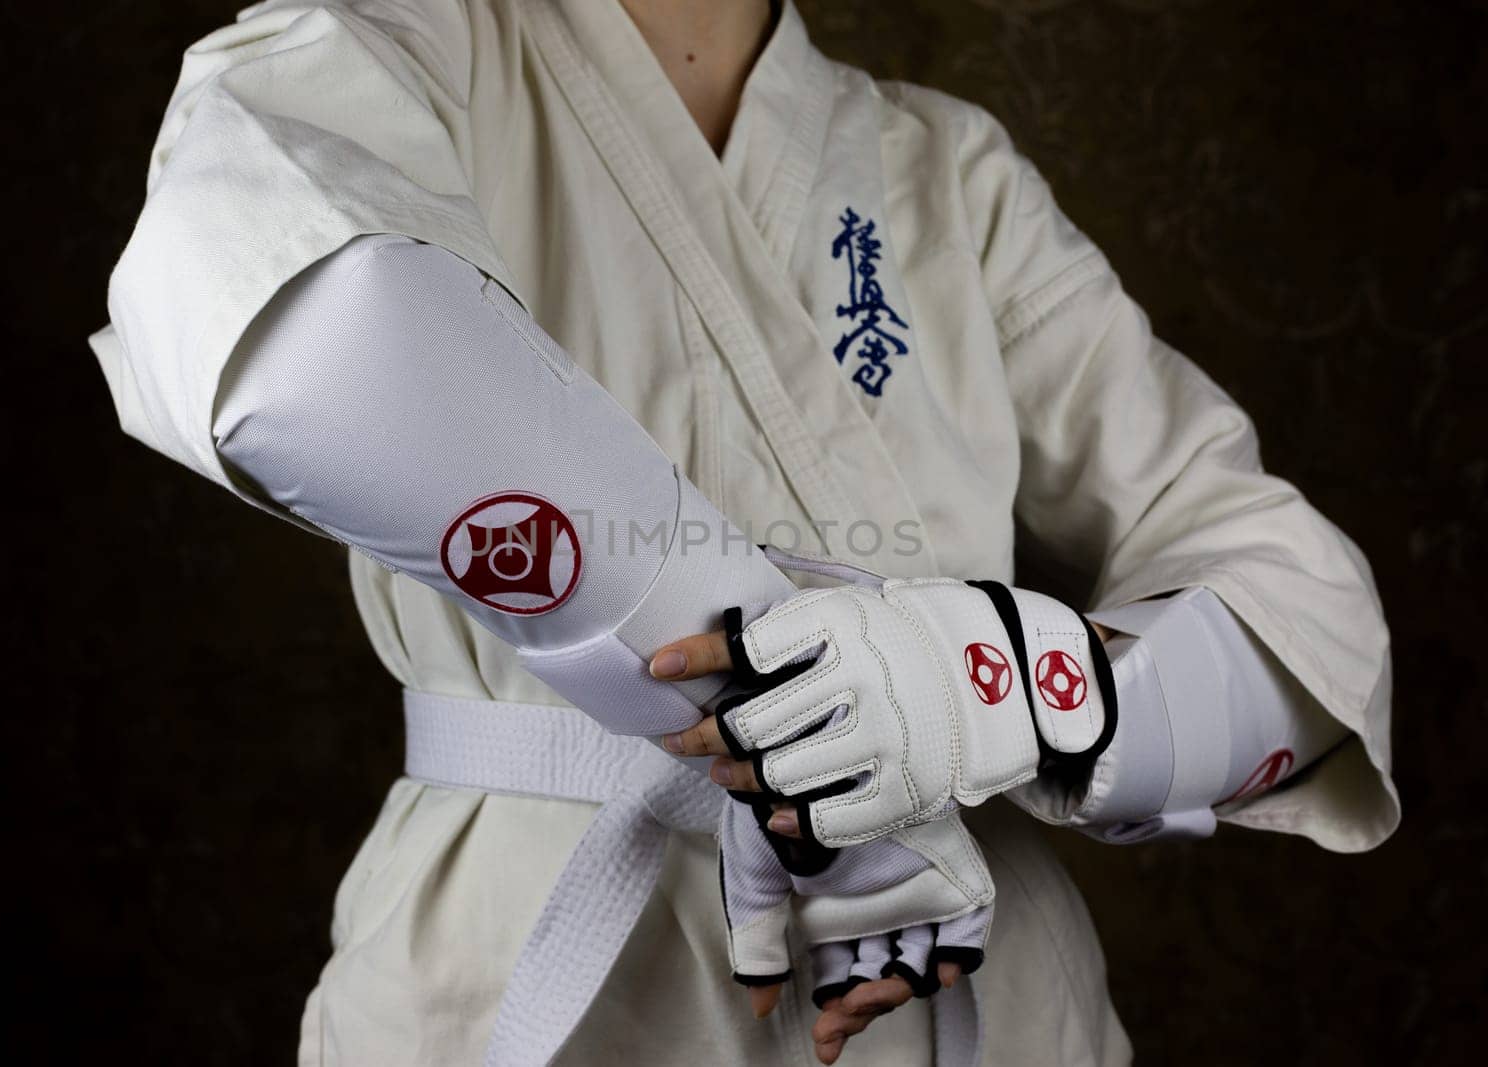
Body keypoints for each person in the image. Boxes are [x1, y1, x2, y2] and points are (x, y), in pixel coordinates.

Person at [89, 1, 1397, 1064]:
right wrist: (809, 735)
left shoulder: (948, 174)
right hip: (540, 951)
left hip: (977, 983)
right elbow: (297, 336)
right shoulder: (380, 49)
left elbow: (1302, 611)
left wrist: (995, 693)